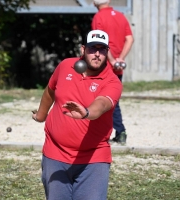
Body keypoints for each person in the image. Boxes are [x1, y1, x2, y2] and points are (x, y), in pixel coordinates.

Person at [32, 30, 122, 200]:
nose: (97, 54)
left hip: (93, 158)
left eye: (102, 50)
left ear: (107, 52)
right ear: (82, 50)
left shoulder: (112, 82)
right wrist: (41, 115)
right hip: (55, 153)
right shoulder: (66, 66)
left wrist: (87, 112)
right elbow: (50, 91)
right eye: (92, 49)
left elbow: (102, 104)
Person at [92, 0, 134, 145]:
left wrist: (111, 60)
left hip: (104, 67)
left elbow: (100, 42)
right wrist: (120, 58)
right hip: (118, 67)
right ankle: (119, 132)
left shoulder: (99, 18)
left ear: (93, 3)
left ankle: (110, 133)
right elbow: (129, 39)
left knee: (102, 99)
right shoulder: (121, 16)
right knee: (113, 99)